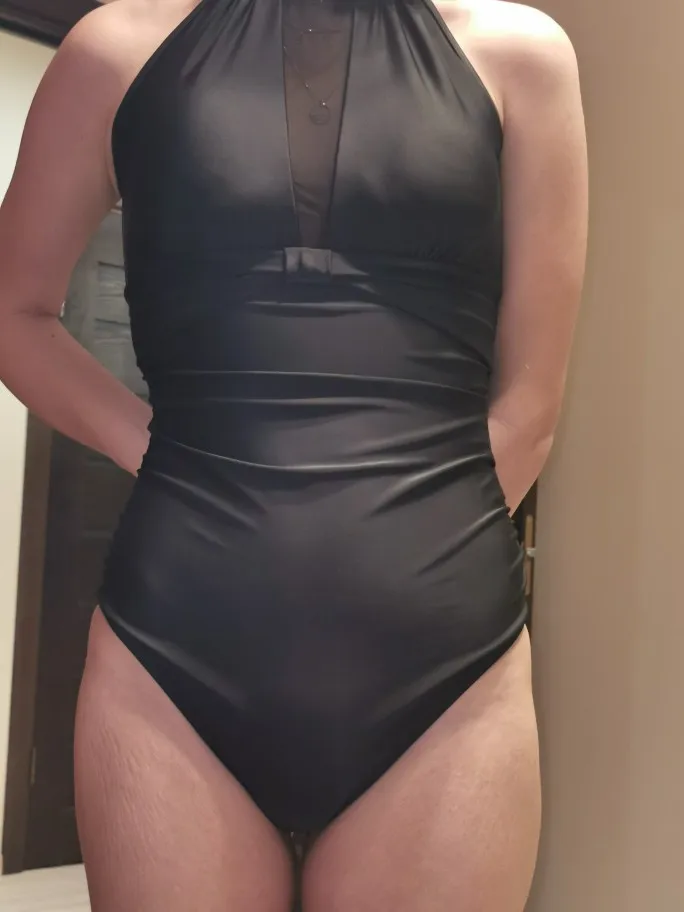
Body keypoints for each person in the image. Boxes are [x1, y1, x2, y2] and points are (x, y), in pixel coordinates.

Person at [0, 0, 587, 908]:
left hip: (443, 667)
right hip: (175, 647)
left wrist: (421, 545)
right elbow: (14, 313)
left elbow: (531, 404)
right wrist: (149, 446)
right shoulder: (115, 46)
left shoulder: (522, 55)